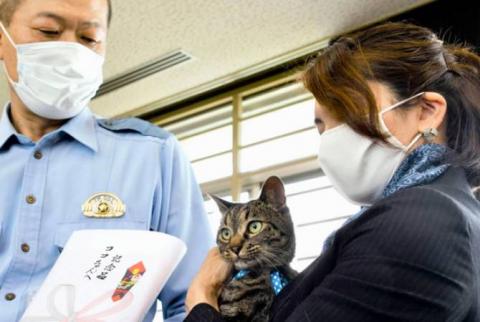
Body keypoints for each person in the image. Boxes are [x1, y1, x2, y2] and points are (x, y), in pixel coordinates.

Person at [184, 22, 480, 321]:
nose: (331, 139)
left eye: (346, 112)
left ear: (427, 112)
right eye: (322, 125)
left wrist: (201, 301)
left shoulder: (422, 218)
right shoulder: (450, 209)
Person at [0, 0, 212, 321]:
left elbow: (195, 303)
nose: (71, 52)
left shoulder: (154, 155)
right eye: (49, 31)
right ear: (3, 39)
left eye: (89, 38)